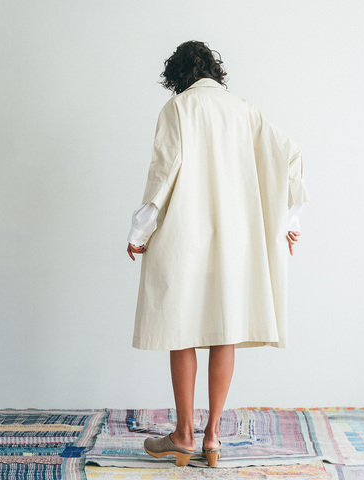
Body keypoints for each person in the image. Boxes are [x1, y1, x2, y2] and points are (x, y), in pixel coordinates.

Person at [126, 41, 310, 467]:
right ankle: (212, 437)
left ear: (177, 76)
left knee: (181, 328)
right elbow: (289, 155)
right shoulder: (244, 110)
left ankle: (183, 434)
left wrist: (139, 231)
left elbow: (163, 174)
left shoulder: (178, 108)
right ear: (214, 70)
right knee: (223, 328)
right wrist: (291, 220)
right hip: (235, 239)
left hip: (185, 234)